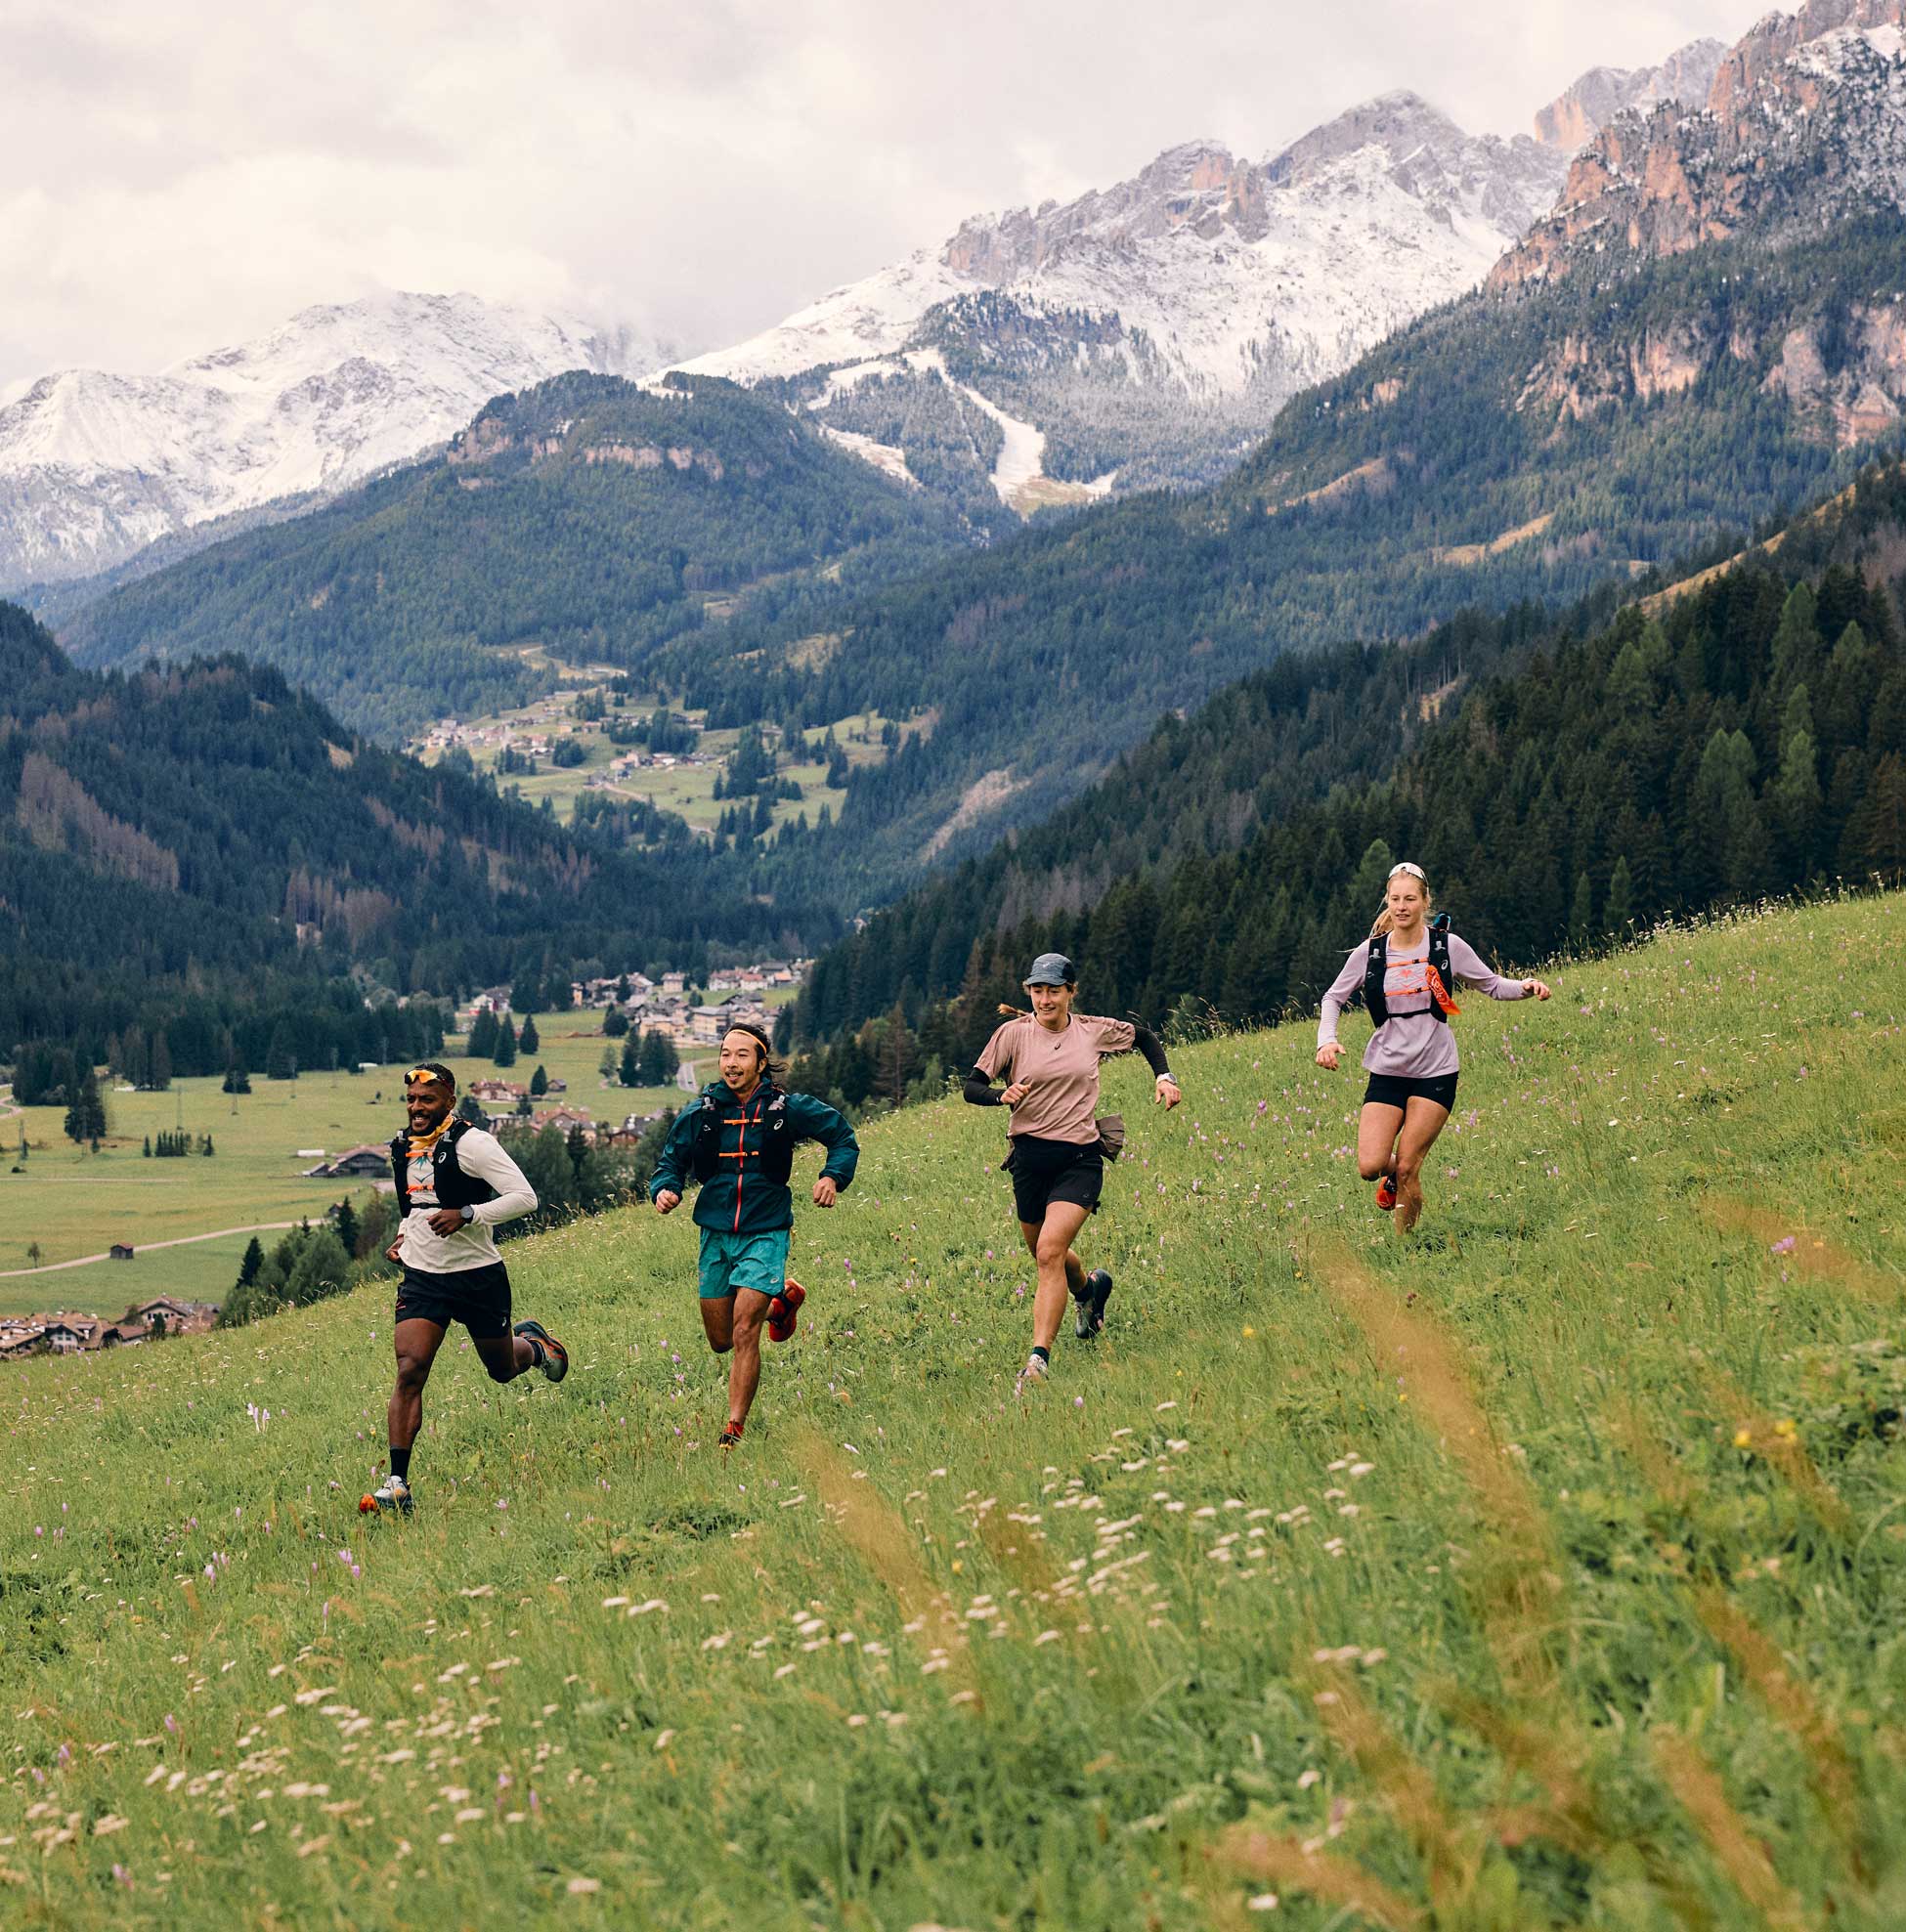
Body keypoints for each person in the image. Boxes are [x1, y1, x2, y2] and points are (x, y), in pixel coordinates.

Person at [964, 953, 1181, 1388]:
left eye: (1053, 991)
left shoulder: (1091, 1031)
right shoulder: (1012, 1035)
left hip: (1079, 1159)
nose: (1045, 999)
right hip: (1028, 1161)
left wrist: (1164, 1077)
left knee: (1049, 1253)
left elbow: (1144, 1037)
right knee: (1047, 1253)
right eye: (1037, 991)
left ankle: (1037, 1361)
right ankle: (1089, 1291)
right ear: (1029, 992)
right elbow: (972, 1087)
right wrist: (1001, 1096)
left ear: (1071, 992)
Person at [367, 1063, 566, 1517]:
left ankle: (535, 1347)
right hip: (423, 1277)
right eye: (411, 1100)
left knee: (502, 1369)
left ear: (450, 1102)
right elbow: (414, 1204)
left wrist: (469, 1213)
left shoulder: (474, 1144)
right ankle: (398, 1483)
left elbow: (525, 1198)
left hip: (478, 1276)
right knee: (410, 1369)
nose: (417, 1108)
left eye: (427, 1100)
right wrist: (403, 1236)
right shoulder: (404, 1146)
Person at [650, 1020, 858, 1448]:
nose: (731, 1063)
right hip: (715, 1232)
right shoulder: (703, 1112)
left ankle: (734, 1429)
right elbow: (670, 1160)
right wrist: (665, 1188)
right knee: (721, 1339)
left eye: (742, 1055)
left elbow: (842, 1137)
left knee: (745, 1330)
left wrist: (832, 1177)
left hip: (766, 1229)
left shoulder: (786, 1109)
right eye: (725, 1054)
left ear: (761, 1063)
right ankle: (781, 1302)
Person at [1316, 862, 1551, 1234]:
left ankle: (1405, 1248)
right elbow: (1333, 997)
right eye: (1395, 899)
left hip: (1435, 1070)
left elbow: (1491, 985)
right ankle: (1392, 1177)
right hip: (1388, 1070)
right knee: (1370, 1165)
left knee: (1409, 1167)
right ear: (1387, 901)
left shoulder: (1446, 947)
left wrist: (1525, 987)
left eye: (1410, 899)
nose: (1402, 906)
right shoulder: (1371, 953)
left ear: (1425, 902)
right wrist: (1326, 1040)